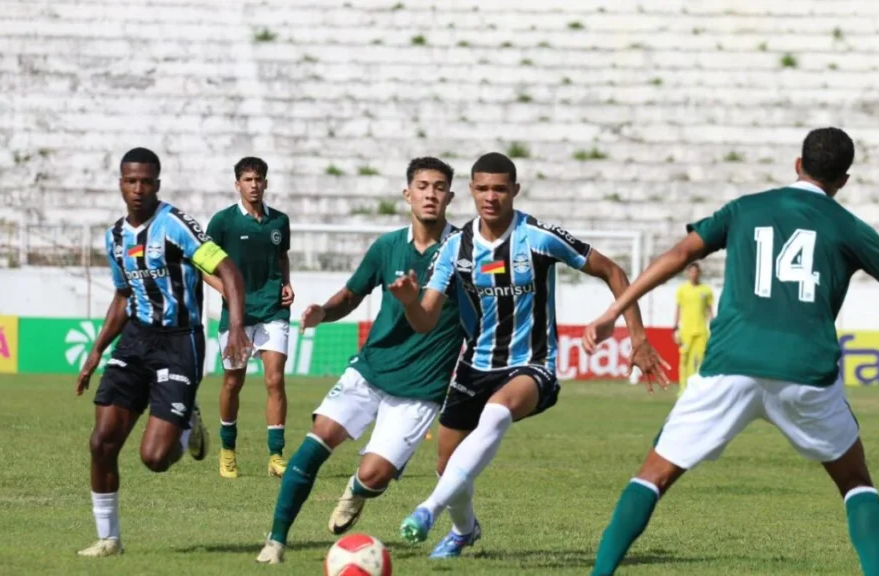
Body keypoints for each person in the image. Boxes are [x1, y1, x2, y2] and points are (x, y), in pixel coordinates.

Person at [582, 127, 879, 576]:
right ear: (844, 180)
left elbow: (679, 254)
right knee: (855, 481)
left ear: (797, 165)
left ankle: (600, 573)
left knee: (654, 474)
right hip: (806, 372)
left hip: (731, 365)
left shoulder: (746, 209)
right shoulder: (849, 228)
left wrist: (614, 310)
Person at [388, 152, 669, 558]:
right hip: (475, 367)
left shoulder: (537, 237)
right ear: (470, 191)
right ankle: (464, 531)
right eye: (482, 188)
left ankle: (427, 509)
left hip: (531, 364)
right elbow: (426, 320)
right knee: (448, 466)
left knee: (496, 414)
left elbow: (613, 271)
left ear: (514, 191)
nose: (491, 197)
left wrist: (636, 337)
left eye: (500, 189)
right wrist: (412, 302)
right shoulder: (455, 247)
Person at [256, 157, 464, 565]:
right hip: (371, 368)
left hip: (421, 387)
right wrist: (323, 313)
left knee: (373, 475)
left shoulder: (463, 251)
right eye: (422, 185)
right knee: (317, 441)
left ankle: (357, 490)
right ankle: (276, 541)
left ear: (450, 197)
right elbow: (351, 295)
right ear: (408, 194)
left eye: (439, 187)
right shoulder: (387, 246)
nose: (431, 194)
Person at [74, 147, 252, 558]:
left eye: (146, 182)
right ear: (121, 184)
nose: (138, 189)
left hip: (179, 342)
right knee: (101, 442)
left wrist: (237, 325)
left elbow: (228, 270)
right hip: (135, 340)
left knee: (155, 459)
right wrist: (97, 351)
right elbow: (122, 295)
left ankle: (187, 425)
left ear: (157, 183)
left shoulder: (175, 225)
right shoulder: (115, 236)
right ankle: (109, 538)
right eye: (131, 181)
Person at [204, 157, 294, 479]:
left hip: (273, 310)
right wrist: (223, 289)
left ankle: (276, 455)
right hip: (238, 316)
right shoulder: (223, 222)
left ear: (266, 183)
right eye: (247, 179)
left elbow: (282, 257)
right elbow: (202, 263)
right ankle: (227, 450)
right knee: (233, 382)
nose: (253, 184)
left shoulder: (279, 222)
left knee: (275, 380)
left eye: (258, 179)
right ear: (237, 184)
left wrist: (286, 283)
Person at [674, 262, 714, 391]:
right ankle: (683, 389)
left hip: (701, 330)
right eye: (691, 272)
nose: (694, 275)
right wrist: (675, 327)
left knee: (702, 359)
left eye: (696, 272)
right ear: (687, 273)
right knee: (685, 360)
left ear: (699, 273)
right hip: (686, 331)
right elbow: (678, 309)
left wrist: (714, 326)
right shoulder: (682, 290)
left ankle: (699, 388)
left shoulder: (706, 290)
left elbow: (709, 311)